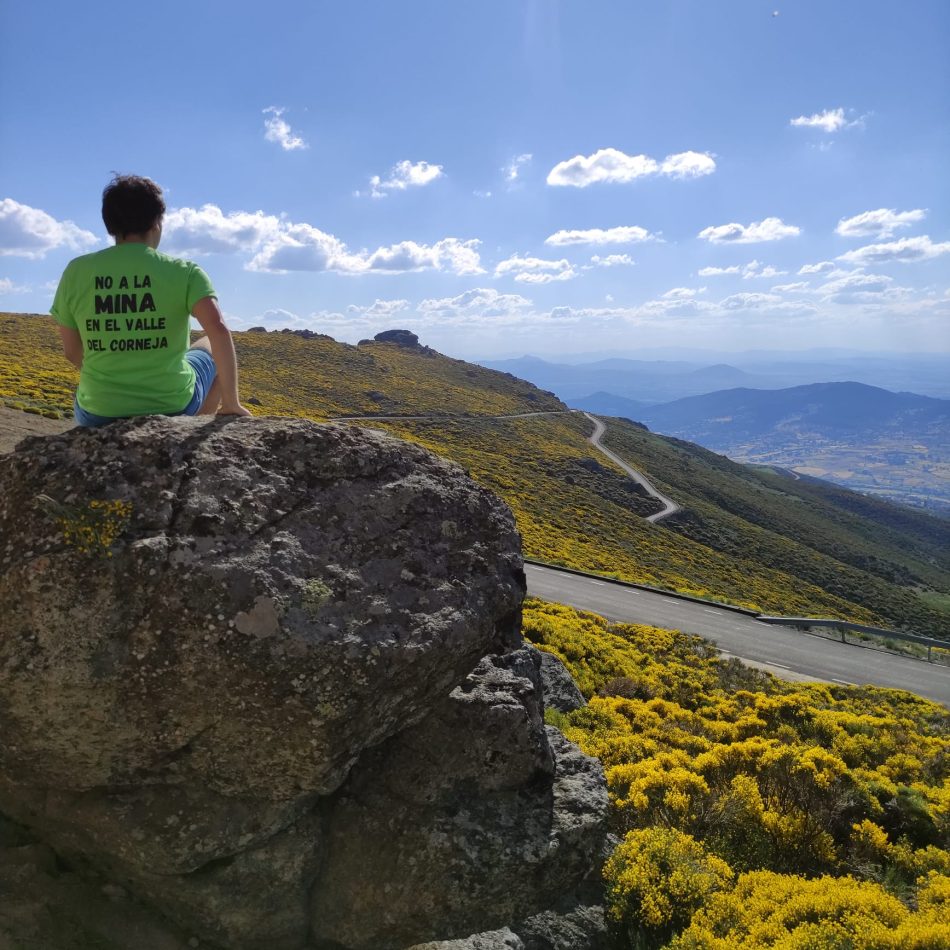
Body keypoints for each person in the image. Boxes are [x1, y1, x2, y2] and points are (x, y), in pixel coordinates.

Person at [51, 174, 250, 425]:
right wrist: (232, 403)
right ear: (157, 222)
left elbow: (71, 352)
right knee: (211, 342)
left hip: (97, 411)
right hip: (173, 405)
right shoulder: (185, 272)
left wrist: (115, 382)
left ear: (110, 225)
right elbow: (219, 329)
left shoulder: (76, 271)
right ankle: (193, 426)